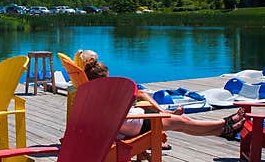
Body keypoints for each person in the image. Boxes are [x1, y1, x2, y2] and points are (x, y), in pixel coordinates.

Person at [84, 60, 245, 140]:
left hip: (133, 120)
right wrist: (158, 112)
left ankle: (224, 131)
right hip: (139, 124)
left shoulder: (93, 95)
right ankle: (226, 122)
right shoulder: (107, 94)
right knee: (185, 122)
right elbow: (137, 95)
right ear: (104, 78)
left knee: (183, 122)